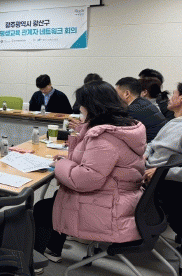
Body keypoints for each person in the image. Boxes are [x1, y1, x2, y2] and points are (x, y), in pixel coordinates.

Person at [33, 81, 145, 270]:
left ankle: (35, 262)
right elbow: (93, 164)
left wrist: (61, 165)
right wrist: (71, 154)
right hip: (120, 200)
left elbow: (83, 180)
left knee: (42, 209)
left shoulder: (104, 138)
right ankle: (53, 249)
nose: (79, 108)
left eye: (81, 104)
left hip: (110, 210)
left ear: (91, 106)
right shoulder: (121, 127)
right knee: (58, 197)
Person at [144, 82, 182, 239]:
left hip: (162, 182)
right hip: (151, 173)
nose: (169, 97)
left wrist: (161, 172)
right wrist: (145, 153)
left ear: (181, 98)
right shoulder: (173, 122)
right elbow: (153, 143)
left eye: (174, 94)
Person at [115, 77, 166, 143]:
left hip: (151, 146)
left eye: (116, 93)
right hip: (160, 141)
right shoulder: (145, 102)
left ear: (127, 94)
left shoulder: (131, 111)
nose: (115, 96)